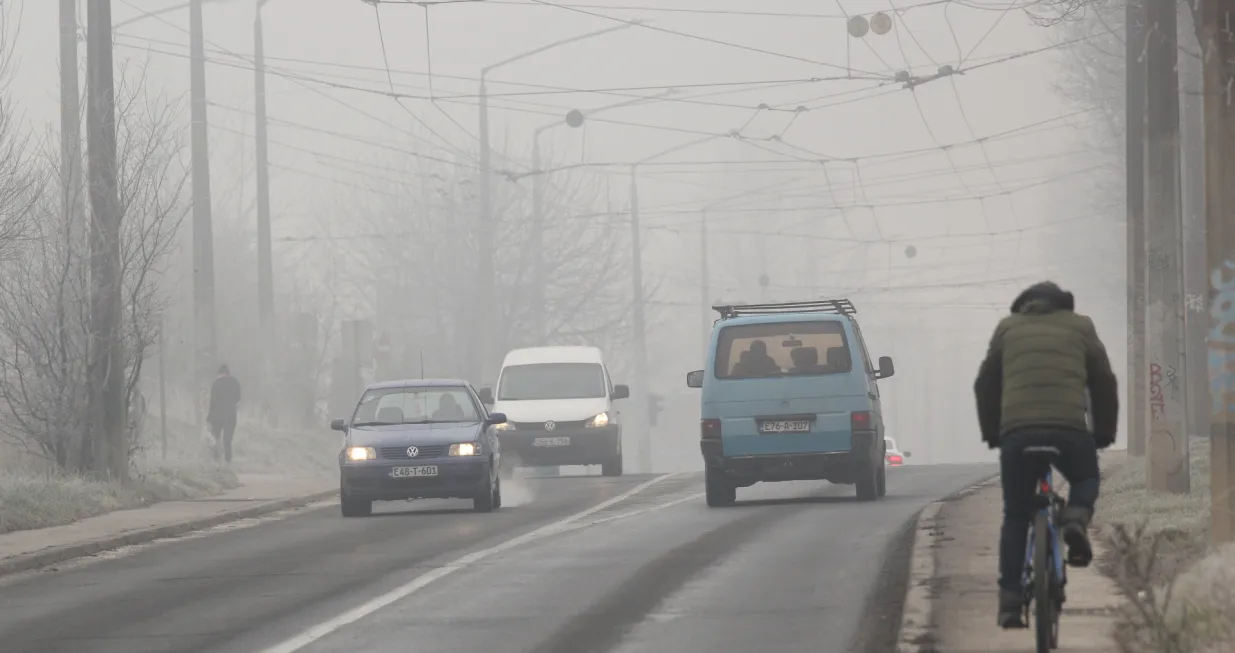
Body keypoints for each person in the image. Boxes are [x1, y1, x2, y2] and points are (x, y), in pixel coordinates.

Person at [973, 281, 1119, 629]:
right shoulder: (1080, 326)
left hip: (1018, 434)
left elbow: (986, 383)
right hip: (1069, 430)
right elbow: (1103, 381)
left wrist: (994, 433)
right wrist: (1103, 434)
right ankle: (1074, 520)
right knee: (1085, 477)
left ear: (1023, 306)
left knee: (1016, 516)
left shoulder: (1007, 328)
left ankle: (1009, 604)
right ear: (1063, 305)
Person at [207, 365, 242, 464]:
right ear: (228, 373)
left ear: (220, 374)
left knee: (216, 437)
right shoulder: (235, 382)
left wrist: (209, 418)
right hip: (231, 415)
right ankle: (228, 461)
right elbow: (238, 399)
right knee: (227, 440)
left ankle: (216, 460)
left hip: (217, 415)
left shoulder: (216, 384)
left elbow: (212, 402)